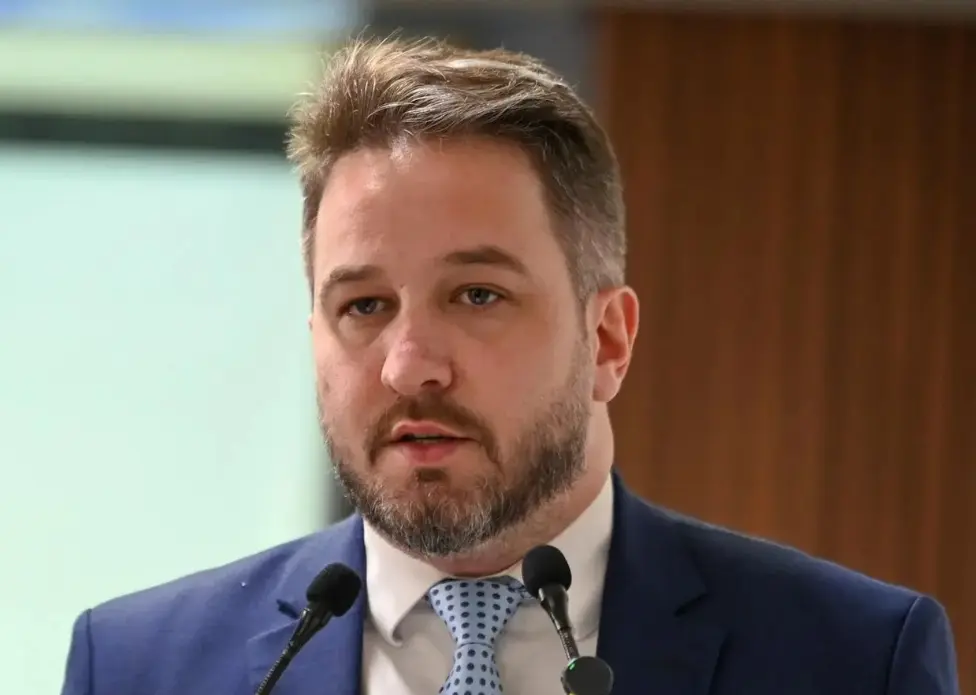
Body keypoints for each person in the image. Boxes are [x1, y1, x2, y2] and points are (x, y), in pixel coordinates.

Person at [59, 35, 958, 695]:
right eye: (363, 305)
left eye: (478, 294)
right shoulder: (139, 666)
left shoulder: (851, 658)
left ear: (608, 340)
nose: (410, 367)